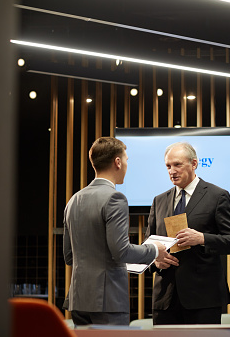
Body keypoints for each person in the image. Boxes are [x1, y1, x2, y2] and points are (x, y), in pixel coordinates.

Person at [63, 137, 170, 326]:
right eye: (127, 159)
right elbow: (121, 252)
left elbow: (69, 256)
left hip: (78, 299)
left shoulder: (74, 200)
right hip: (108, 301)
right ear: (117, 162)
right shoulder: (115, 198)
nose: (127, 165)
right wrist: (155, 250)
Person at [145, 142, 230, 325]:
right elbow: (148, 244)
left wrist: (202, 238)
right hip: (165, 299)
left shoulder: (217, 196)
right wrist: (155, 259)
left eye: (177, 164)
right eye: (168, 166)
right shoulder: (158, 201)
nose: (172, 171)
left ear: (194, 164)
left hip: (203, 299)